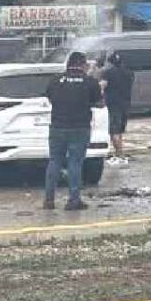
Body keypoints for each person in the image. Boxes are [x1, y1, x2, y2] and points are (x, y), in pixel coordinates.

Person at [43, 51, 103, 211]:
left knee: (54, 161)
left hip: (57, 127)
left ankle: (49, 200)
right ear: (83, 65)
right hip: (79, 127)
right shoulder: (90, 82)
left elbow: (49, 98)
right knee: (75, 163)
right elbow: (99, 102)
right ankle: (73, 200)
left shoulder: (55, 80)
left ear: (68, 64)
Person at [100, 52, 135, 166]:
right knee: (120, 130)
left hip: (112, 104)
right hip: (125, 103)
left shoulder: (108, 73)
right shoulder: (129, 72)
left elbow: (102, 86)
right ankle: (119, 152)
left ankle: (119, 154)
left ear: (110, 63)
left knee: (114, 130)